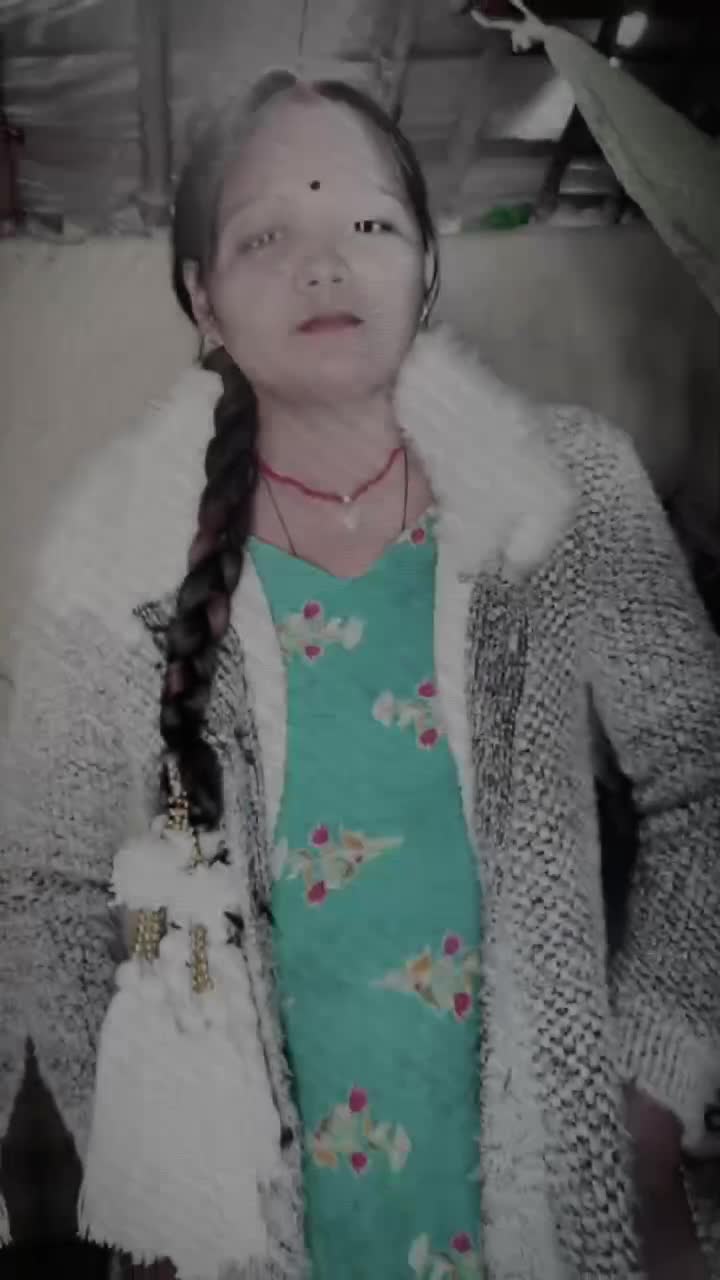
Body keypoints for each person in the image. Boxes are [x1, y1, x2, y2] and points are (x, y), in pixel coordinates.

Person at [1, 69, 719, 1280]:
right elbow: (43, 882)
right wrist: (153, 1160)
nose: (324, 265)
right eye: (266, 235)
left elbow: (705, 774)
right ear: (203, 295)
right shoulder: (113, 554)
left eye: (369, 223)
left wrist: (653, 1089)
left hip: (548, 1228)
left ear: (426, 266)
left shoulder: (571, 491)